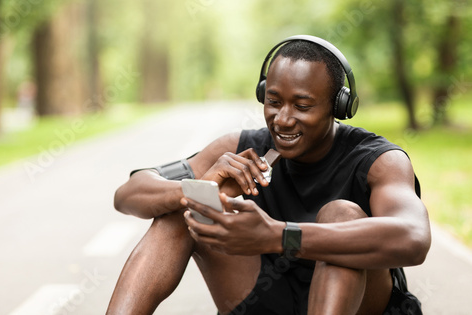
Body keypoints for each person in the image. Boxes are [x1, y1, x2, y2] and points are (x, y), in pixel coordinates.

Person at [107, 35, 431, 315]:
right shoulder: (242, 148)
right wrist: (199, 187)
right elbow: (128, 195)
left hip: (357, 302)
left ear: (338, 106)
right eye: (274, 102)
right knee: (181, 211)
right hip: (267, 297)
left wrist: (278, 235)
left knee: (342, 214)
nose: (283, 119)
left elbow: (413, 238)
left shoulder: (377, 159)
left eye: (302, 106)